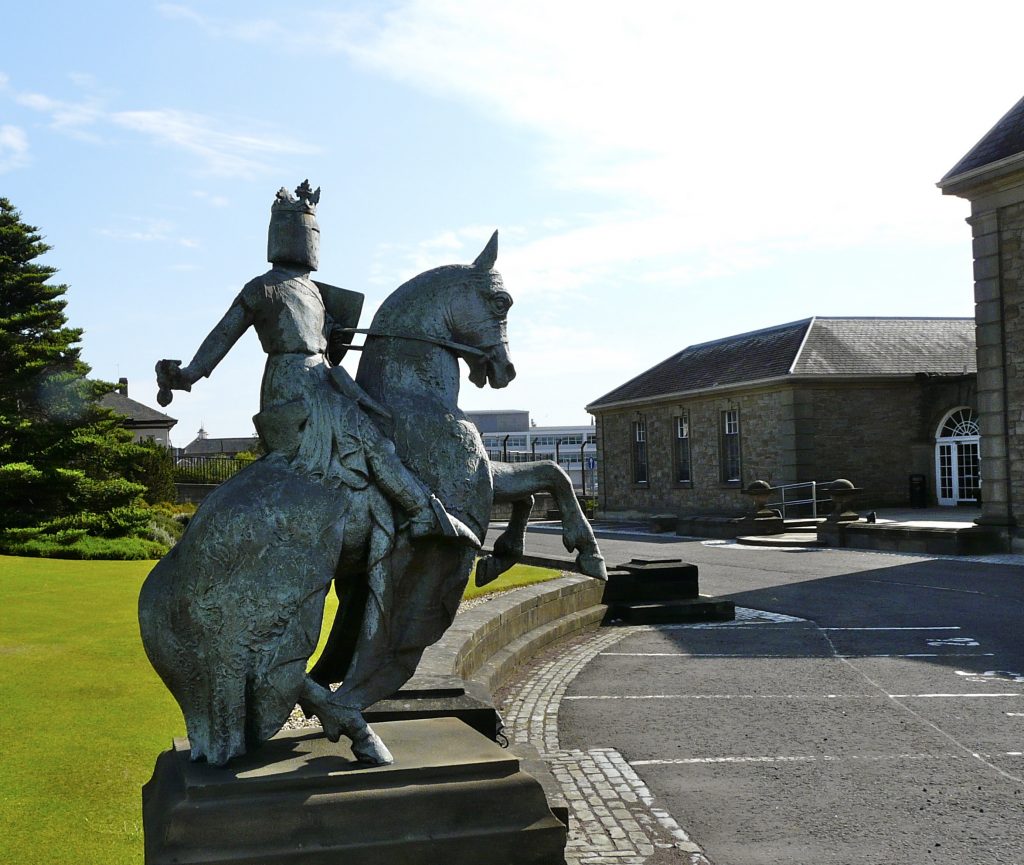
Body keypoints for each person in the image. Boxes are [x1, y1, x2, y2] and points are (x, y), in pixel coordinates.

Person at [156, 181, 478, 546]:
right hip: (291, 381)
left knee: (378, 422)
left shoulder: (314, 290)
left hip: (322, 375)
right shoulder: (262, 287)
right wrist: (187, 375)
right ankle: (422, 513)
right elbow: (222, 335)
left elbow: (325, 343)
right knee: (367, 438)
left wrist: (334, 335)